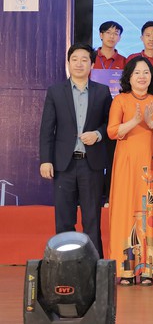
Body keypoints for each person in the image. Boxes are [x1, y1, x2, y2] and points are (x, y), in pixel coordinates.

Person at [39, 44, 112, 257]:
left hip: (92, 164)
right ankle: (65, 264)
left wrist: (97, 134)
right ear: (68, 63)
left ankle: (95, 266)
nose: (79, 63)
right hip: (64, 164)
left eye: (84, 59)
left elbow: (110, 124)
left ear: (92, 64)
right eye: (75, 59)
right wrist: (45, 160)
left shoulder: (102, 92)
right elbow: (47, 128)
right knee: (64, 219)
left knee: (92, 219)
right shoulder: (55, 91)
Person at [107, 56, 153, 286]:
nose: (142, 77)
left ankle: (148, 269)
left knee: (150, 211)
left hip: (152, 164)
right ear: (129, 77)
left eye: (146, 72)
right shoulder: (120, 100)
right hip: (126, 164)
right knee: (126, 211)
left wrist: (151, 123)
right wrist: (135, 120)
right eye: (137, 73)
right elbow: (112, 132)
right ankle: (126, 269)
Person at [92, 20, 126, 206]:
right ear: (101, 35)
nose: (112, 36)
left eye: (116, 33)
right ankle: (92, 197)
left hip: (117, 113)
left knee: (113, 158)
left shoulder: (124, 61)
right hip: (93, 111)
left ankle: (110, 197)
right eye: (108, 33)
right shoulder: (91, 58)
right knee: (94, 157)